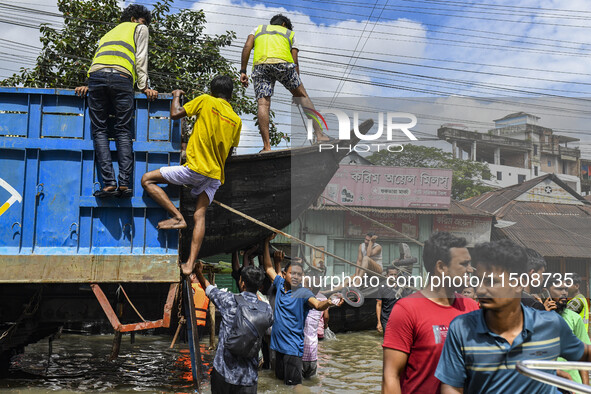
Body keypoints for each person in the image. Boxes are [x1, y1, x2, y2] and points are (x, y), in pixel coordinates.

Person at [435, 239, 591, 394]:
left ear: (519, 283)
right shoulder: (462, 328)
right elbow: (452, 387)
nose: (480, 290)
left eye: (491, 281)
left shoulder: (550, 325)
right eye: (479, 280)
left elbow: (583, 354)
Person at [141, 76, 242, 275]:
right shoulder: (236, 120)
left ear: (212, 91)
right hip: (215, 175)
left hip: (195, 169)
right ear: (230, 96)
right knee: (199, 215)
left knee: (147, 179)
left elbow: (176, 113)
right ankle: (189, 265)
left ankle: (177, 217)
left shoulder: (206, 100)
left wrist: (177, 96)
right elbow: (230, 151)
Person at [75, 4, 158, 198]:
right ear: (134, 19)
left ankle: (108, 183)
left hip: (95, 79)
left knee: (100, 130)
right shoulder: (140, 28)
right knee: (122, 130)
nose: (143, 24)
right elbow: (141, 58)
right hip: (121, 78)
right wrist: (143, 87)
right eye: (142, 20)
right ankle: (124, 184)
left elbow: (100, 60)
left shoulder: (108, 34)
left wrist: (88, 85)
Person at [382, 232, 479, 394]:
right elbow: (391, 376)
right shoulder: (406, 310)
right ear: (441, 267)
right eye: (464, 264)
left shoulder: (471, 308)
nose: (470, 269)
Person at [239, 14, 329, 152]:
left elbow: (247, 47)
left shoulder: (257, 29)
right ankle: (320, 135)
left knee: (263, 104)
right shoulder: (289, 33)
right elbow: (295, 61)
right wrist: (296, 91)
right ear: (283, 24)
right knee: (304, 97)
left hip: (261, 65)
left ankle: (266, 147)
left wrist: (243, 71)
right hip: (284, 65)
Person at [262, 235, 343, 386]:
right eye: (293, 273)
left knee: (293, 386)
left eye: (299, 274)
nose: (296, 277)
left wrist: (329, 302)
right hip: (278, 346)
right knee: (279, 384)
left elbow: (318, 305)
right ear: (285, 275)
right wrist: (266, 242)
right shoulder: (279, 284)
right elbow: (268, 267)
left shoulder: (304, 293)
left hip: (293, 349)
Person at [544, 277, 590, 386]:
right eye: (559, 289)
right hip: (547, 382)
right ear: (545, 292)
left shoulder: (574, 318)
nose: (564, 292)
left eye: (565, 289)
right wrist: (543, 314)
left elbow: (582, 356)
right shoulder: (536, 316)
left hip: (573, 383)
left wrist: (585, 387)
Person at [302, 275, 327, 378]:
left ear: (310, 289)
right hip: (313, 355)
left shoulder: (303, 301)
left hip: (301, 354)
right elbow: (326, 316)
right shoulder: (322, 300)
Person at [376, 265, 412, 334]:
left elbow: (406, 305)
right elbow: (379, 305)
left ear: (397, 276)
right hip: (386, 320)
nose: (393, 276)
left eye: (395, 274)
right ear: (387, 275)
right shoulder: (382, 288)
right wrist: (379, 322)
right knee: (387, 341)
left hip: (398, 320)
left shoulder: (401, 289)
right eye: (391, 274)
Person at [189, 273, 209, 339]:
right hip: (202, 322)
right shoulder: (205, 289)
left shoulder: (191, 288)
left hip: (191, 321)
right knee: (198, 341)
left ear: (194, 276)